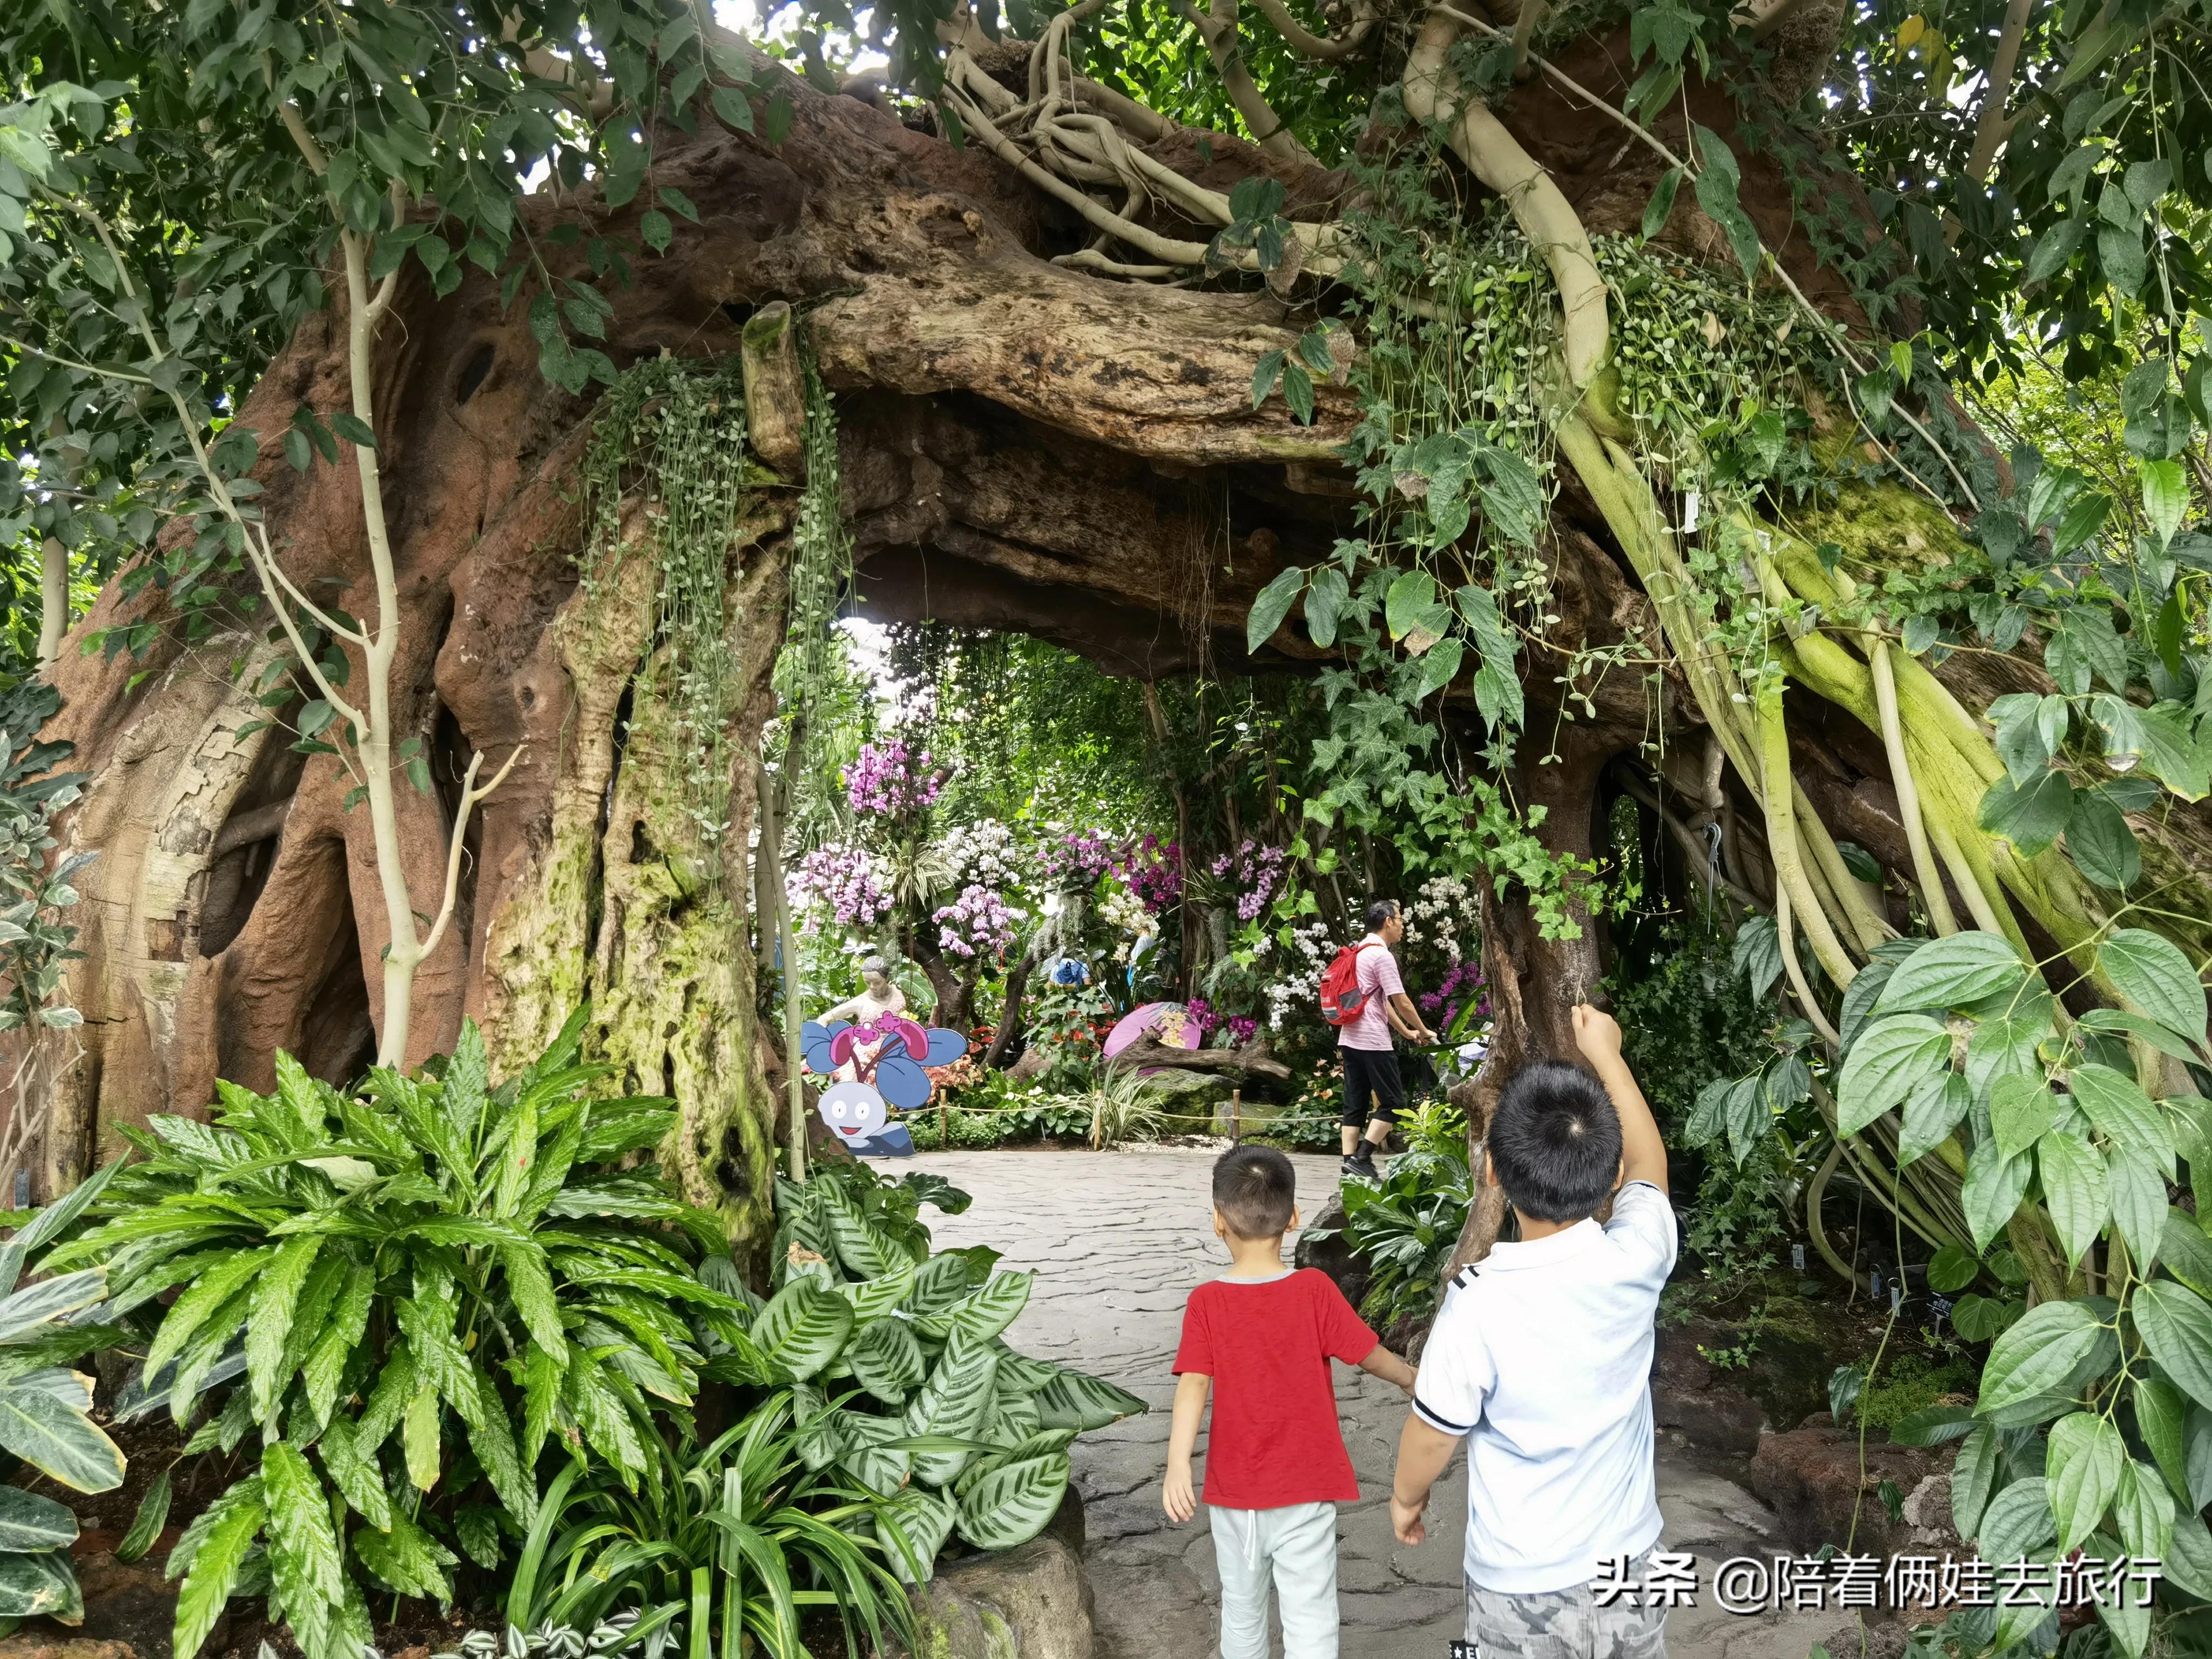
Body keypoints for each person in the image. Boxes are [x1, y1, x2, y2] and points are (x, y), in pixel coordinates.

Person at [1388, 1004, 1677, 1659]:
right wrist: (1606, 1052)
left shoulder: (1478, 1304)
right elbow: (1651, 1162)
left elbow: (1432, 1435)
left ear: (1492, 1169)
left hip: (1519, 1586)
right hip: (1631, 1566)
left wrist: (1407, 1499)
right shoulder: (1638, 1258)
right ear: (1610, 1177)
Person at [1163, 1145, 1418, 1659]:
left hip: (1235, 1494)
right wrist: (1412, 1378)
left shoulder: (1207, 1302)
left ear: (1218, 1221)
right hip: (1306, 1486)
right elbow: (1368, 1354)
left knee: (1241, 1611)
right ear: (1295, 1218)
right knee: (1311, 1615)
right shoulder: (1314, 1290)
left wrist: (1176, 1466)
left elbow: (1193, 1384)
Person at [1339, 898, 1439, 1181]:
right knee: (1394, 1103)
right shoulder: (1382, 956)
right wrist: (1423, 1028)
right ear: (1388, 922)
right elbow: (1401, 1002)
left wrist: (1407, 1033)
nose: (1403, 927)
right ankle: (1362, 1157)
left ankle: (1350, 1165)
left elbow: (1378, 1002)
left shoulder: (1358, 951)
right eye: (1401, 920)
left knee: (1354, 1103)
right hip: (1372, 1041)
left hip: (1349, 1038)